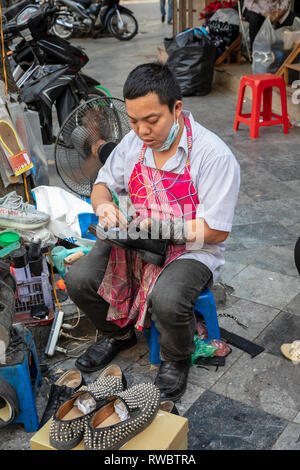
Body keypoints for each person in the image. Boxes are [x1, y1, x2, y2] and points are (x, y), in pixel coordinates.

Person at [65, 63, 240, 401]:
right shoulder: (132, 145)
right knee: (80, 279)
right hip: (136, 236)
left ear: (176, 108)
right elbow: (101, 185)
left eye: (152, 120)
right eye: (133, 121)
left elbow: (216, 232)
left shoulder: (213, 155)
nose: (142, 131)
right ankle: (117, 334)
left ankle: (176, 357)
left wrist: (164, 229)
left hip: (192, 247)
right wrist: (103, 205)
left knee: (168, 299)